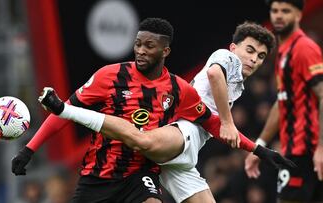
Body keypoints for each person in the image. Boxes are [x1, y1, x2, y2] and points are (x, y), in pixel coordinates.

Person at [36, 22, 295, 203]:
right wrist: (228, 123)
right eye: (249, 50)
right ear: (234, 47)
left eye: (261, 56)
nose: (254, 59)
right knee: (141, 140)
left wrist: (260, 151)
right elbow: (215, 75)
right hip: (183, 132)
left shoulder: (238, 82)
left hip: (185, 157)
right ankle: (66, 110)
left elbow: (217, 126)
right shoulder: (225, 59)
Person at [12, 17, 218, 203]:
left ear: (165, 51)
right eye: (137, 44)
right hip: (99, 176)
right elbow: (64, 112)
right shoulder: (109, 76)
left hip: (140, 175)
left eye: (149, 45)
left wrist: (250, 147)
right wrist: (29, 149)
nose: (141, 50)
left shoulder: (179, 88)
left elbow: (212, 122)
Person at [244, 0, 323, 202]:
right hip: (294, 150)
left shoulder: (304, 48)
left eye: (285, 11)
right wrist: (259, 145)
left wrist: (321, 148)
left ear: (298, 15)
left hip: (306, 151)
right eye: (275, 10)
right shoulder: (283, 51)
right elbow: (281, 102)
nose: (278, 15)